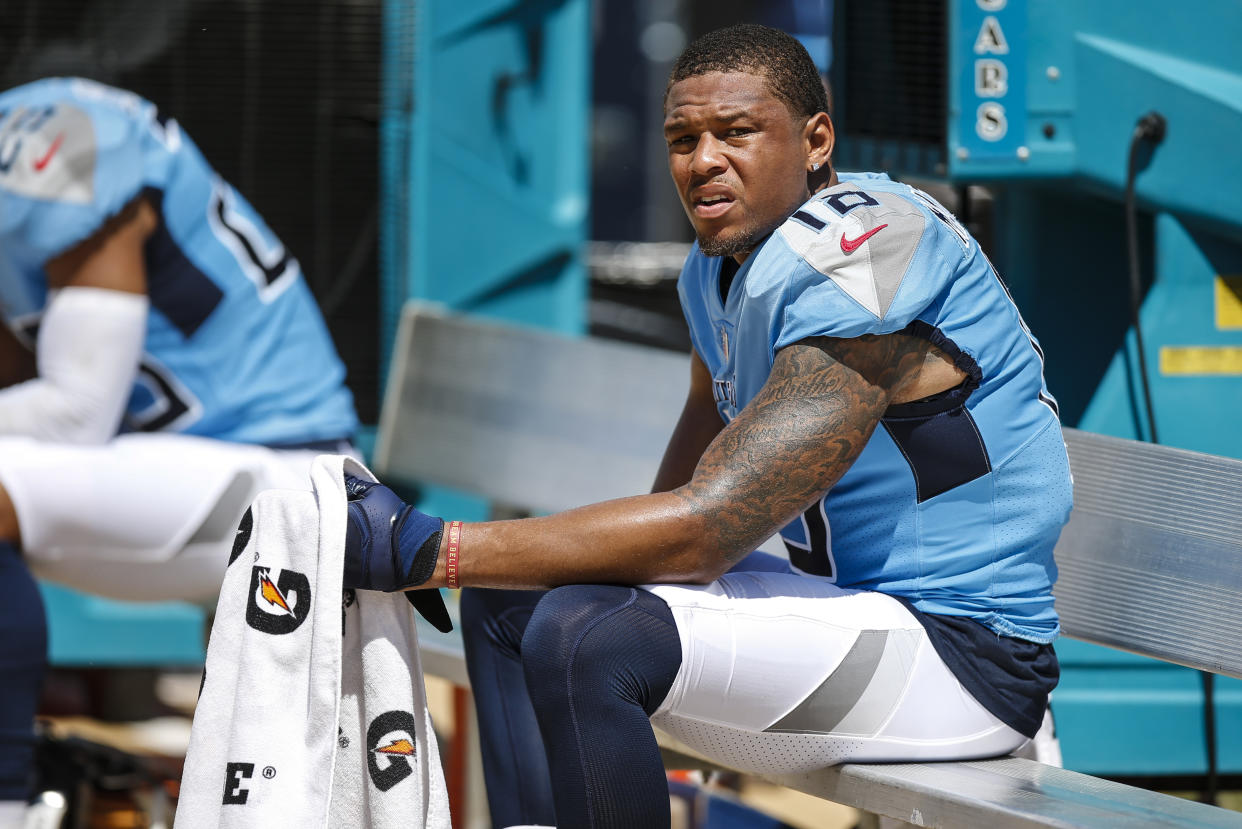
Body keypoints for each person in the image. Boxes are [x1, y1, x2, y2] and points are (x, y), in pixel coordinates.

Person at [342, 23, 1072, 829]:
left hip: (965, 654)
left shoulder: (866, 244)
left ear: (816, 139)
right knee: (514, 606)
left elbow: (708, 531)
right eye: (683, 139)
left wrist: (436, 547)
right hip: (849, 611)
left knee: (590, 637)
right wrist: (513, 567)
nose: (703, 161)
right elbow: (691, 478)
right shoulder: (720, 265)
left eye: (736, 133)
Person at [0, 77, 357, 821]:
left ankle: (9, 798)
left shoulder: (59, 139)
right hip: (172, 467)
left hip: (285, 474)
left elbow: (73, 412)